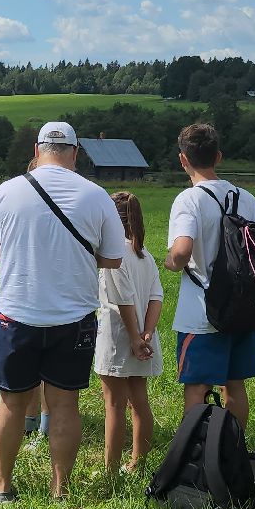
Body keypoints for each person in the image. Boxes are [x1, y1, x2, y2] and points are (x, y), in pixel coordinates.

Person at [0, 121, 127, 503]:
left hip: (16, 315)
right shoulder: (97, 195)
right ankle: (60, 490)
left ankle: (2, 486)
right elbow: (112, 257)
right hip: (74, 320)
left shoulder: (7, 191)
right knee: (64, 405)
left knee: (10, 402)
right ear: (75, 153)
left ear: (37, 151)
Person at [166, 123, 255, 431]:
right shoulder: (243, 197)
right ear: (218, 156)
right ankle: (231, 451)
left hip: (201, 313)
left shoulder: (188, 200)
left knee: (196, 388)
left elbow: (182, 250)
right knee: (234, 386)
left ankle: (194, 456)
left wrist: (170, 262)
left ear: (183, 160)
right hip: (242, 308)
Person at [96, 191, 162, 481]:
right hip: (143, 337)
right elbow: (156, 298)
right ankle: (138, 462)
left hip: (118, 337)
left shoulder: (115, 254)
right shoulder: (144, 255)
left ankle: (110, 472)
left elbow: (123, 299)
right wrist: (147, 333)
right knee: (140, 401)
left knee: (114, 404)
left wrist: (134, 338)